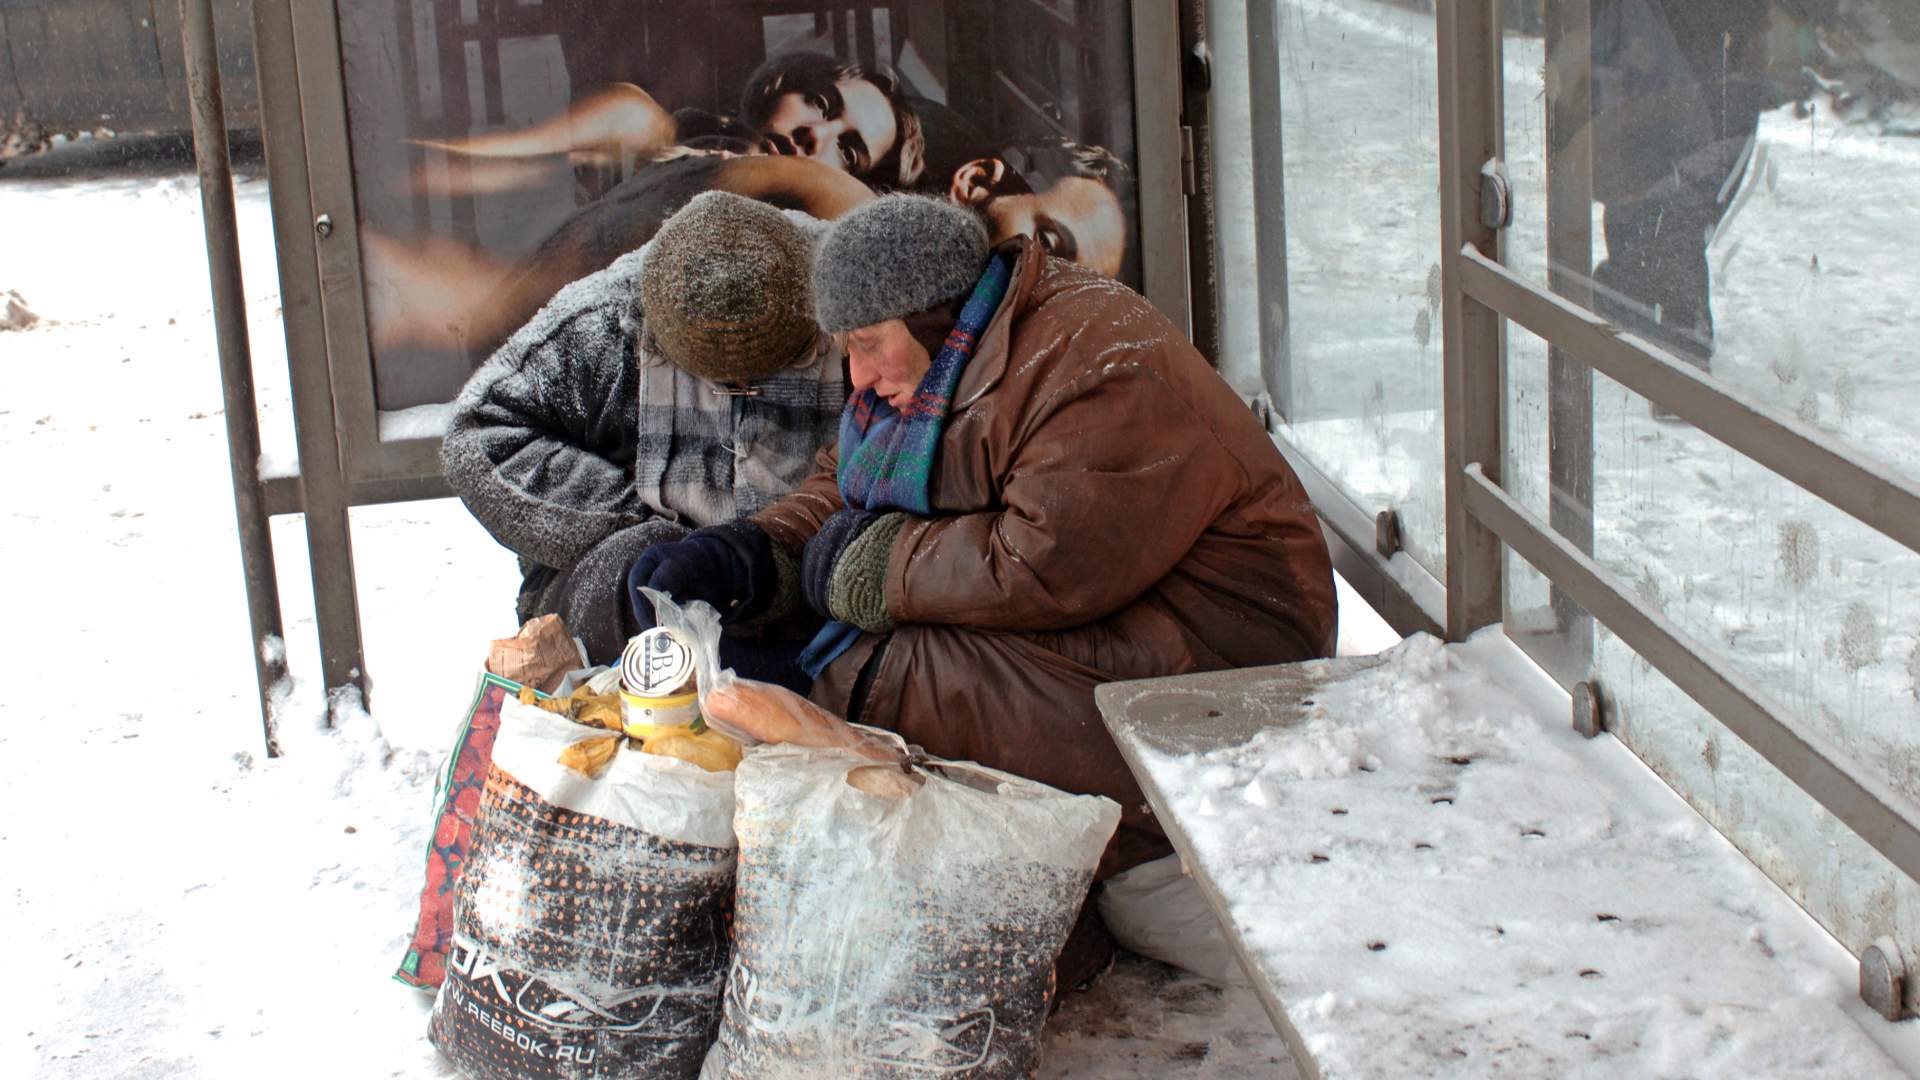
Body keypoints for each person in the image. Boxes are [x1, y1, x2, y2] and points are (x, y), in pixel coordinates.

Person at [629, 195, 1338, 983]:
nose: (857, 376)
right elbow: (849, 491)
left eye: (868, 345)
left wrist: (867, 571)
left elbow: (1044, 563)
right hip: (1108, 615)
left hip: (1222, 654)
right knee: (788, 657)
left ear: (931, 315)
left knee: (899, 677)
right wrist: (759, 552)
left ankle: (1073, 898)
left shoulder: (1096, 368)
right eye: (846, 349)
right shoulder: (950, 359)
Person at [441, 191, 844, 673]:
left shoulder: (854, 299)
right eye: (721, 381)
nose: (741, 389)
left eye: (764, 374)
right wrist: (646, 529)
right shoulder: (604, 322)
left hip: (803, 565)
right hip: (639, 578)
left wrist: (761, 556)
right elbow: (478, 436)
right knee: (641, 570)